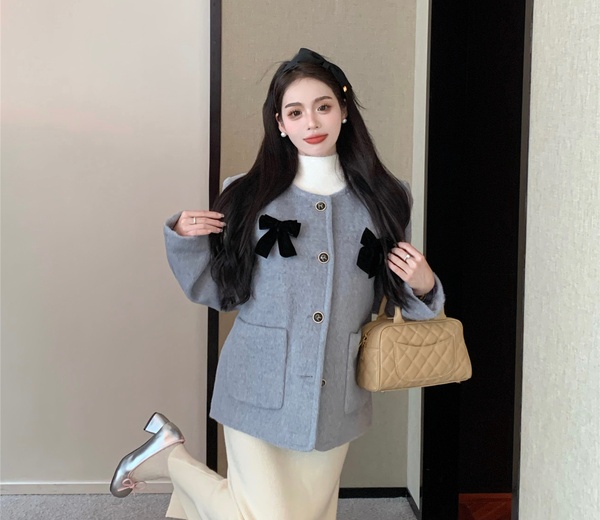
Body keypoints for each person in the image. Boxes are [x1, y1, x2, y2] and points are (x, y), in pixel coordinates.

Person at [110, 48, 445, 519]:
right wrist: (186, 241)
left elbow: (392, 297)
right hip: (256, 382)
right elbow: (220, 292)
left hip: (335, 391)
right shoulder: (248, 194)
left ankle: (167, 455)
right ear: (280, 124)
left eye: (323, 106)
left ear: (344, 110)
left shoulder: (387, 197)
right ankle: (170, 459)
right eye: (295, 112)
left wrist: (425, 285)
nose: (312, 121)